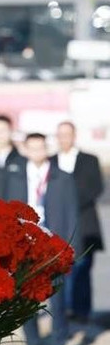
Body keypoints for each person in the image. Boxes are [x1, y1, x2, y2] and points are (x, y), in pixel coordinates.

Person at [10, 133, 79, 345]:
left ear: (46, 149)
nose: (37, 152)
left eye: (41, 147)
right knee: (25, 294)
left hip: (53, 244)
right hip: (25, 244)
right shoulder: (16, 176)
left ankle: (60, 343)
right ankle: (34, 342)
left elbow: (72, 213)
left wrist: (71, 244)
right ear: (26, 149)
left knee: (57, 296)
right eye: (32, 148)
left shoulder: (62, 177)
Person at [53, 121, 104, 323]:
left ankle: (82, 312)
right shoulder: (50, 162)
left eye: (67, 134)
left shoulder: (90, 160)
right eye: (60, 135)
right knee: (60, 272)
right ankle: (63, 311)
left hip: (84, 222)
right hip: (58, 223)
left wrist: (71, 202)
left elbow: (96, 188)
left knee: (83, 269)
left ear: (74, 136)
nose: (64, 138)